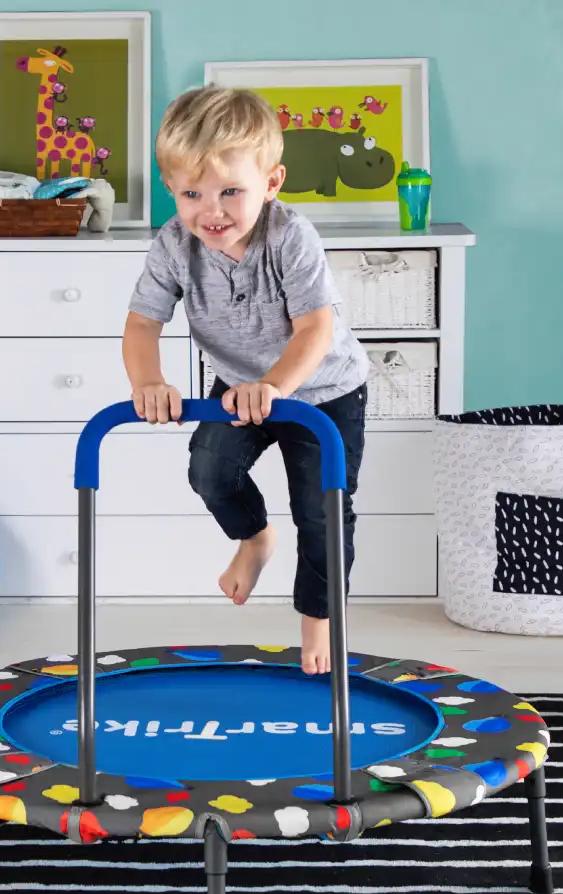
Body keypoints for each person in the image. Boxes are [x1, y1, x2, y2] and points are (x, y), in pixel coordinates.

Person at [122, 85, 368, 675]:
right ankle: (255, 539)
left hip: (323, 392)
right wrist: (149, 382)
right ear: (172, 191)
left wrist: (277, 388)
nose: (213, 211)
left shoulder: (290, 238)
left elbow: (314, 330)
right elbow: (140, 324)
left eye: (231, 191)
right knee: (209, 470)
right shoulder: (175, 245)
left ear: (272, 182)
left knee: (322, 509)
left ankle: (319, 619)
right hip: (238, 386)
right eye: (192, 194)